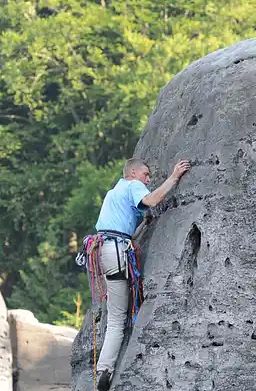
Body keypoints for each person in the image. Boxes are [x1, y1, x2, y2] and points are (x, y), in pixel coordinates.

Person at [93, 157, 190, 391]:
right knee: (118, 319)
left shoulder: (113, 193)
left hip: (104, 250)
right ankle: (104, 371)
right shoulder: (132, 186)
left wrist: (143, 225)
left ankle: (104, 369)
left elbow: (123, 229)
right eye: (146, 175)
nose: (148, 179)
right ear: (133, 173)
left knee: (115, 313)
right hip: (116, 251)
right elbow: (153, 199)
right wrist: (174, 177)